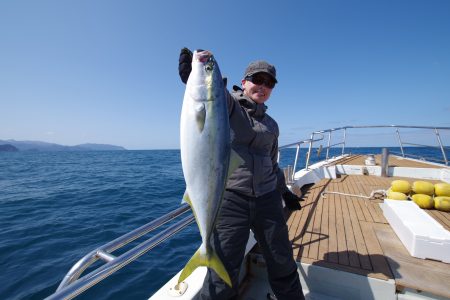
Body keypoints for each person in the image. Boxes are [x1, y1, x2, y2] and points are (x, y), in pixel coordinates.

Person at [178, 48, 305, 300]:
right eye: (257, 79)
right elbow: (208, 96)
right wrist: (192, 75)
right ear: (244, 82)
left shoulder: (271, 125)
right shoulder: (228, 105)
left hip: (267, 199)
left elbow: (272, 162)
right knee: (222, 269)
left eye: (269, 83)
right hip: (231, 199)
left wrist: (284, 192)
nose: (263, 86)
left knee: (282, 262)